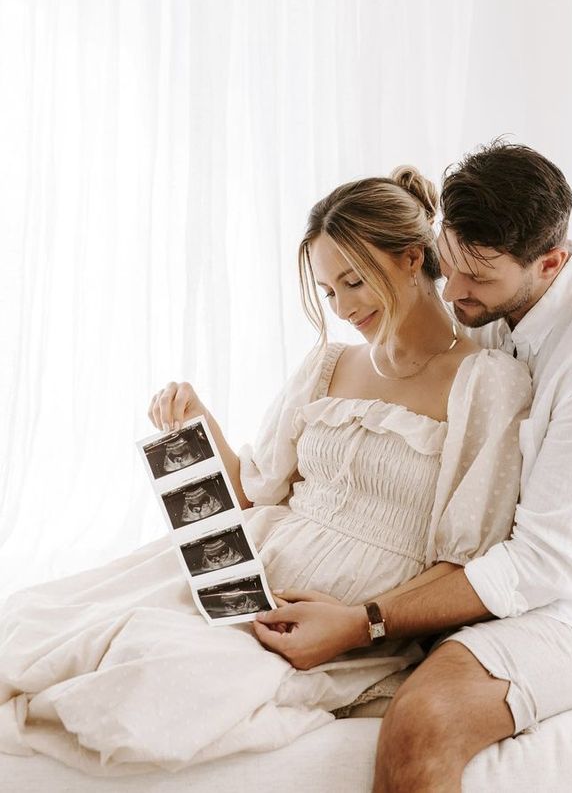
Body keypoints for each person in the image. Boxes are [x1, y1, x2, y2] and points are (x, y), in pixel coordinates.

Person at [0, 166, 531, 773]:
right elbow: (253, 493)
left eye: (354, 282)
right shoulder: (329, 364)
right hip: (248, 568)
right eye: (330, 292)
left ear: (414, 260)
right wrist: (199, 425)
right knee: (45, 625)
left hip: (337, 610)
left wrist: (364, 625)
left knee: (141, 693)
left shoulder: (486, 382)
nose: (343, 308)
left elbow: (470, 560)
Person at [254, 140, 572, 793]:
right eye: (447, 262)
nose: (453, 291)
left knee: (422, 719)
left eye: (477, 278)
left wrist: (366, 617)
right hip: (503, 578)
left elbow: (542, 564)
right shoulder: (490, 310)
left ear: (551, 262)